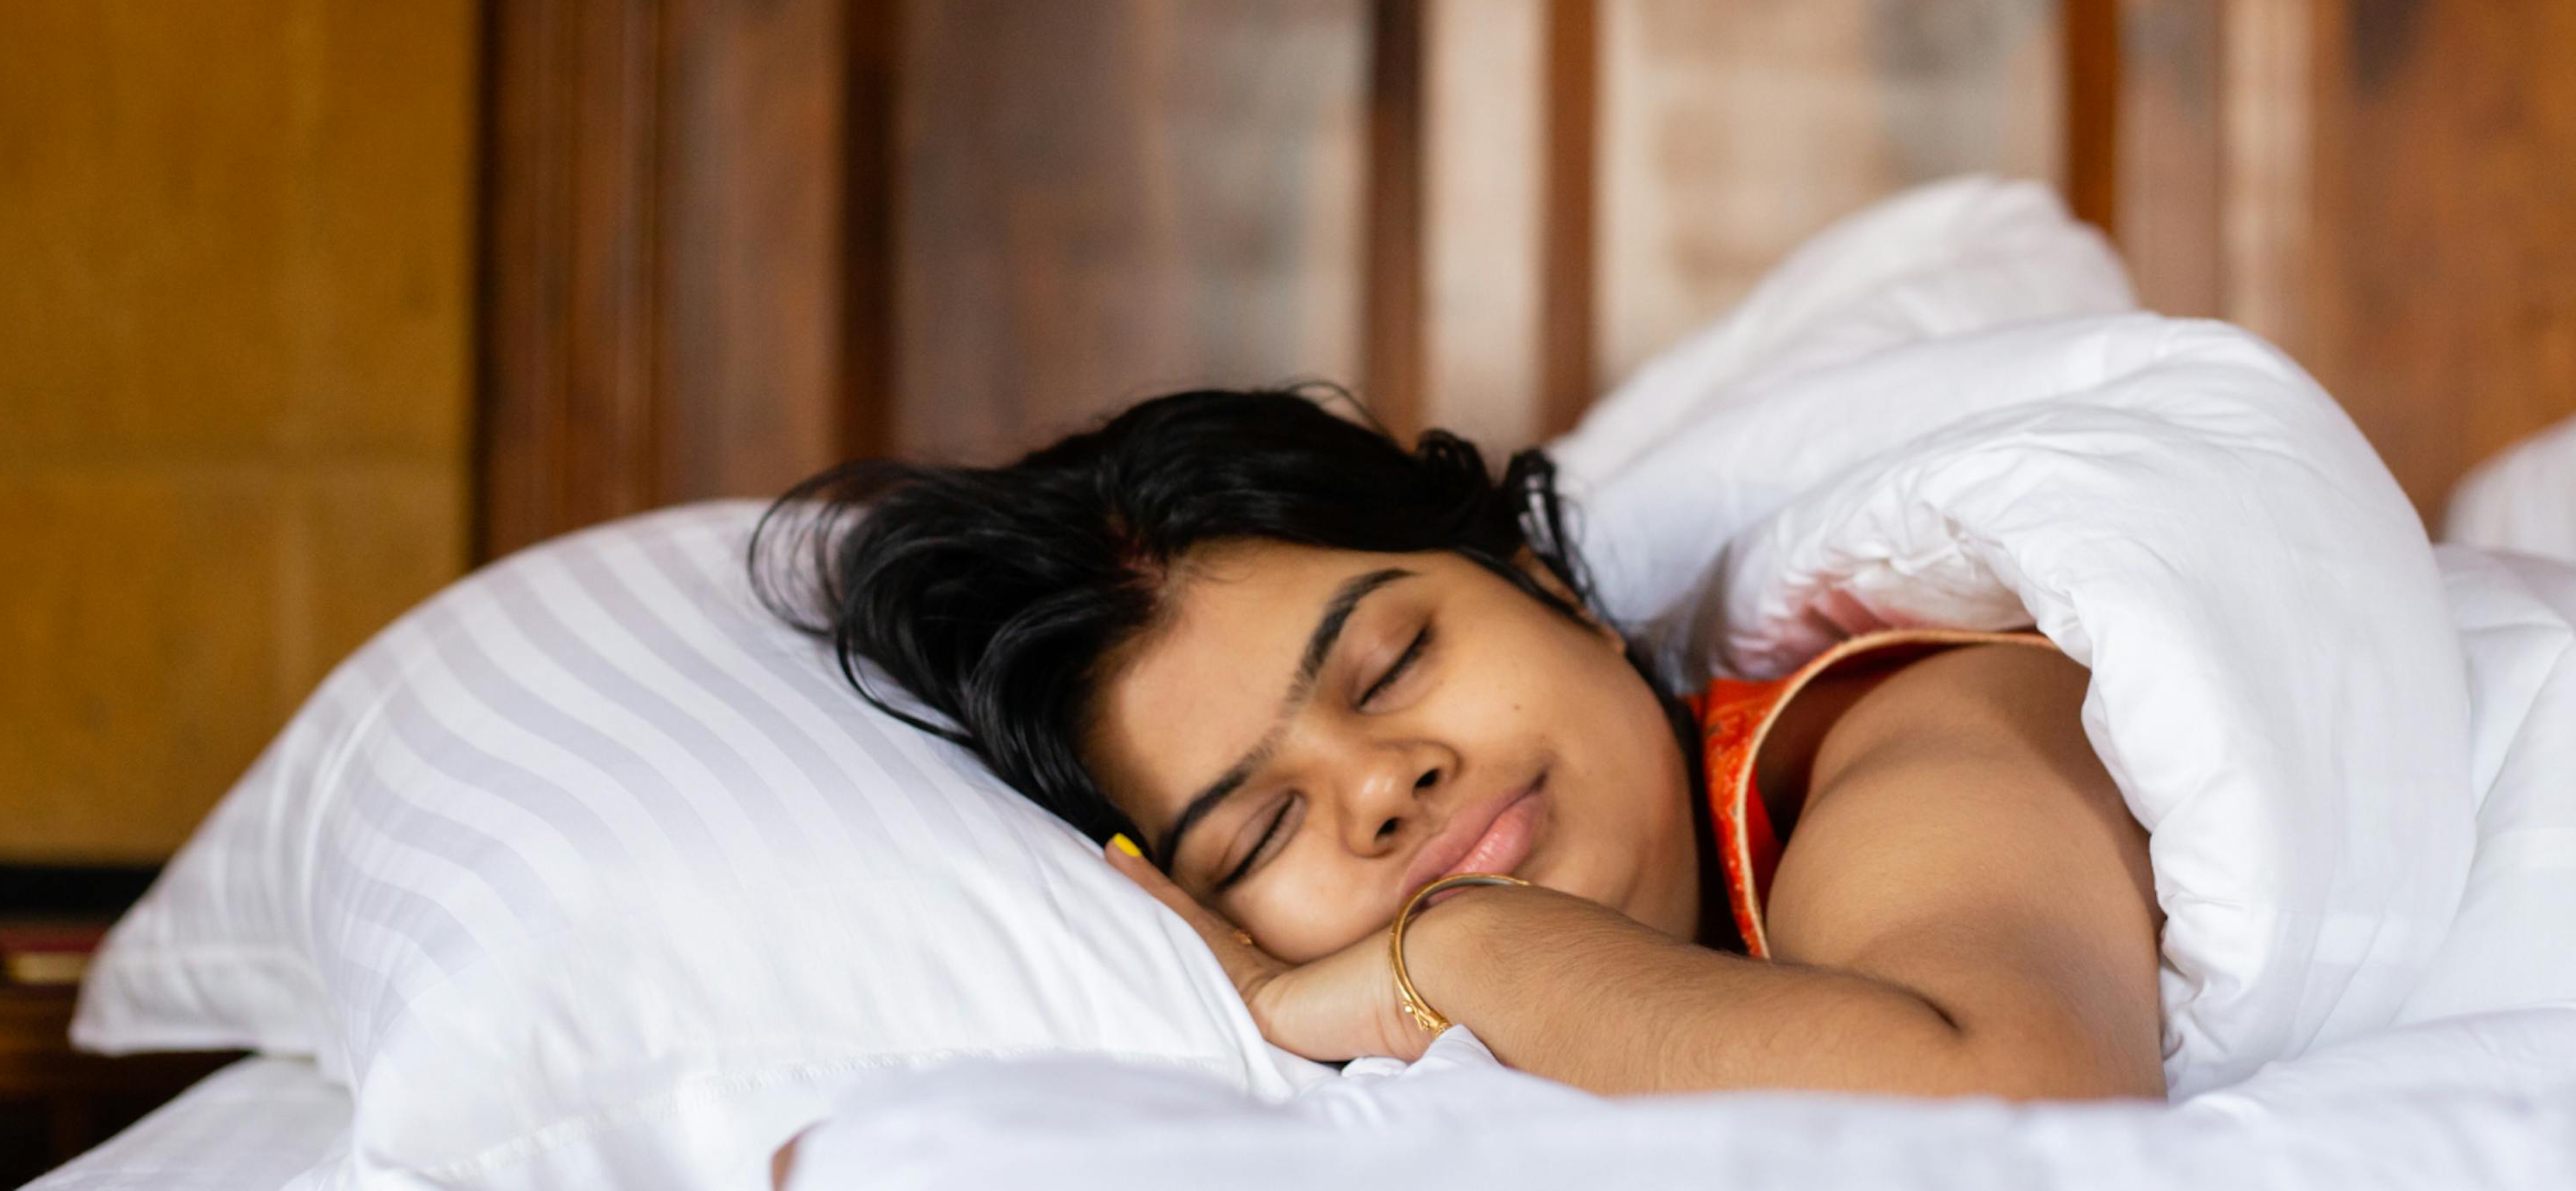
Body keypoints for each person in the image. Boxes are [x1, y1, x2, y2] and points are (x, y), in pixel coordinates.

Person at [755, 385, 2162, 1099]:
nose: (1379, 783)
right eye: (1259, 828)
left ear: (1545, 586)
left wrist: (1462, 947)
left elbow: (2010, 1124)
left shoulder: (1901, 728)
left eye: (1395, 659)